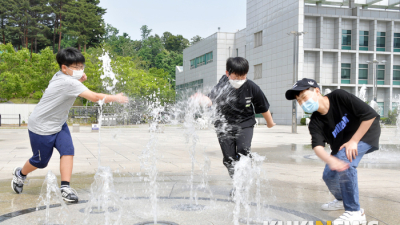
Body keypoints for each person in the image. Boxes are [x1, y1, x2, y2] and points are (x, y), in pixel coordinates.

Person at [11, 47, 129, 203]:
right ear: (64, 68)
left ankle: (65, 187)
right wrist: (116, 98)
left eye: (81, 67)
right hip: (41, 127)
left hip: (59, 124)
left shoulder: (62, 76)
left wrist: (78, 78)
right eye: (76, 67)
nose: (80, 70)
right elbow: (94, 97)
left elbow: (69, 87)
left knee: (68, 151)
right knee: (40, 161)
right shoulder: (67, 82)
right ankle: (20, 174)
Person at [285, 78, 380, 224]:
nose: (303, 103)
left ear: (317, 91)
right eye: (299, 101)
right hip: (342, 144)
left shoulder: (339, 96)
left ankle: (354, 212)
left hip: (365, 133)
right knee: (328, 174)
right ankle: (342, 199)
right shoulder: (315, 122)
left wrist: (354, 141)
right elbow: (317, 147)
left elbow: (370, 115)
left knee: (345, 159)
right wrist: (331, 161)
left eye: (304, 97)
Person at [196, 57, 275, 179]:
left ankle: (244, 179)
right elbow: (210, 99)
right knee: (229, 159)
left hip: (245, 123)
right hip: (223, 124)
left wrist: (270, 122)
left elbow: (263, 106)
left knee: (243, 150)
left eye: (242, 76)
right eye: (235, 76)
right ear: (228, 73)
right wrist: (202, 99)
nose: (239, 80)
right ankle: (237, 184)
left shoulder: (251, 87)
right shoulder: (222, 86)